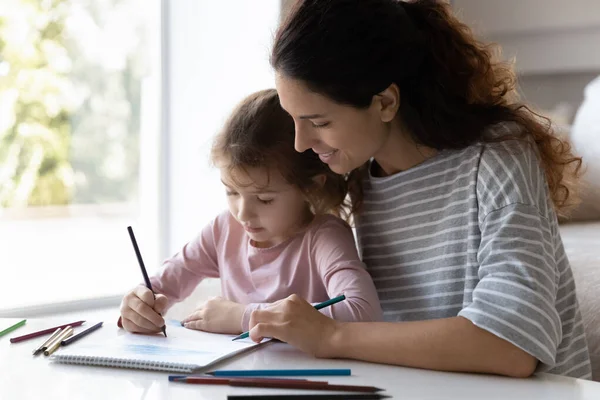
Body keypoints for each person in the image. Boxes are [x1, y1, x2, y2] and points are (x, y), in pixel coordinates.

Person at [247, 0, 592, 379]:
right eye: (294, 120)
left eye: (318, 121)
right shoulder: (357, 169)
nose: (300, 142)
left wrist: (332, 335)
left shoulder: (497, 156)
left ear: (386, 102)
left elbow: (511, 345)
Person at [118, 89, 382, 336]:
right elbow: (163, 284)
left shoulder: (323, 238)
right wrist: (138, 303)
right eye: (231, 192)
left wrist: (246, 317)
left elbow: (364, 312)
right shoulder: (224, 230)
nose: (243, 213)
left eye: (264, 199)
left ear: (310, 187)